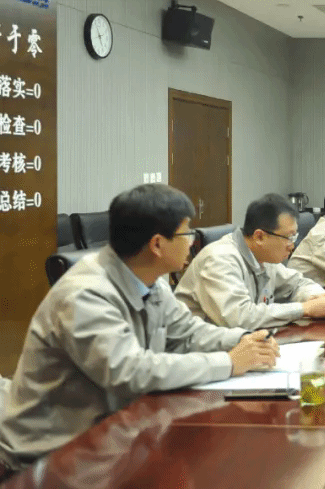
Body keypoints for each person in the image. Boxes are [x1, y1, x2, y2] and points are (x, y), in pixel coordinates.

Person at [0, 184, 279, 477]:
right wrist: (229, 362)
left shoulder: (150, 279)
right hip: (53, 454)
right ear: (157, 245)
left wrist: (244, 340)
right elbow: (130, 372)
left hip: (115, 437)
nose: (193, 242)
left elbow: (187, 332)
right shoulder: (84, 294)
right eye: (186, 234)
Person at [175, 194, 325, 329]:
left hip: (244, 343)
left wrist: (316, 298)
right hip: (199, 352)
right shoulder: (219, 259)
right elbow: (239, 318)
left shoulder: (264, 257)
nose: (292, 246)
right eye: (288, 237)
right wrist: (305, 309)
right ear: (260, 237)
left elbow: (297, 283)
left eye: (295, 237)